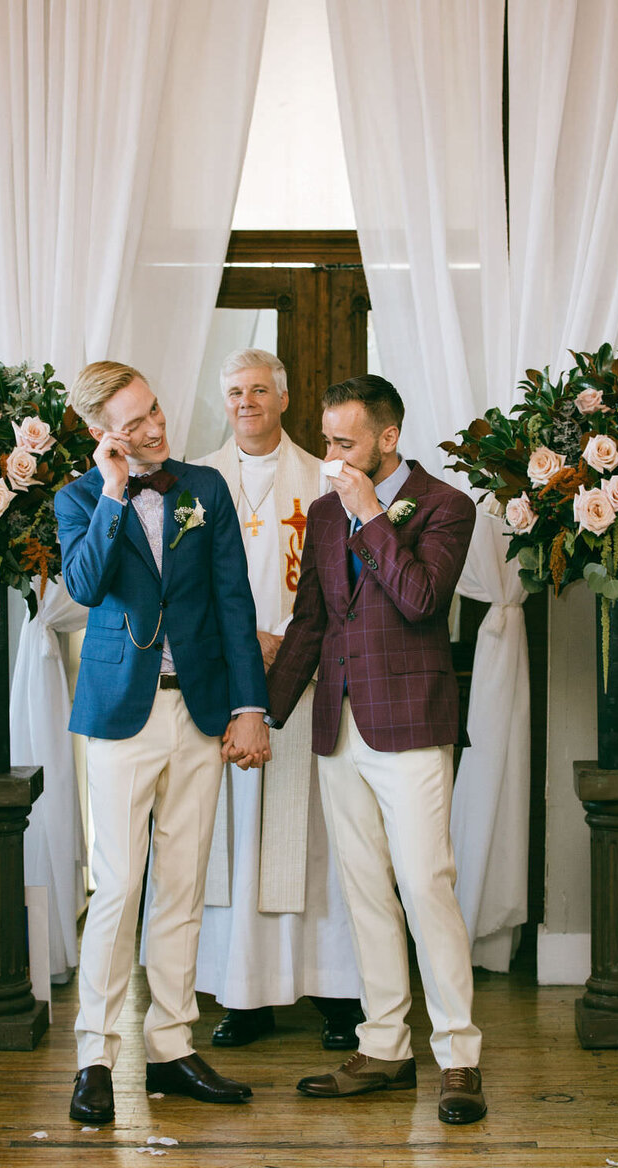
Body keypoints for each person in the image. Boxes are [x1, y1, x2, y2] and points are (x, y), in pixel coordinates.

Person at [265, 375, 487, 1125]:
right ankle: (385, 1046)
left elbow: (422, 599)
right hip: (338, 725)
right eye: (328, 440)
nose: (330, 456)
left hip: (412, 724)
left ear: (388, 439)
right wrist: (264, 714)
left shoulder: (447, 506)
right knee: (364, 893)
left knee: (426, 886)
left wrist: (370, 515)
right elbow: (310, 624)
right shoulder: (323, 515)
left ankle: (458, 1056)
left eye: (343, 442)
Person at [55, 360, 271, 1126]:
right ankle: (95, 1055)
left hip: (202, 710)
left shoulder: (204, 489)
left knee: (181, 885)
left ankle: (171, 1045)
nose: (153, 427)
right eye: (132, 420)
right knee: (117, 888)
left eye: (153, 409)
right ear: (100, 433)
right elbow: (83, 585)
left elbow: (233, 602)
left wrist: (250, 706)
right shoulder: (79, 497)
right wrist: (113, 491)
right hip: (121, 712)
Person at [194, 348, 362, 1049]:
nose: (246, 402)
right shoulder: (196, 482)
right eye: (234, 391)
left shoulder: (324, 478)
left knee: (315, 840)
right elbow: (180, 583)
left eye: (259, 389)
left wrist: (284, 644)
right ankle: (245, 997)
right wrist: (241, 645)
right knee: (235, 841)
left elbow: (344, 581)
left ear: (284, 398)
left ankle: (335, 995)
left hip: (306, 680)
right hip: (226, 686)